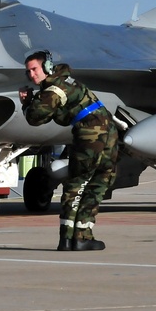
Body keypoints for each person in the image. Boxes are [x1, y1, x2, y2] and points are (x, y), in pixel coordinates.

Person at [20, 50, 119, 251]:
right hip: (104, 131)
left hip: (94, 134)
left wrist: (26, 104)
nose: (32, 75)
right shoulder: (63, 81)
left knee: (83, 181)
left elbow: (35, 117)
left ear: (47, 67)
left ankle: (73, 238)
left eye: (34, 69)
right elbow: (45, 115)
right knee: (95, 181)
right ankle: (79, 236)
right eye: (28, 71)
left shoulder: (53, 90)